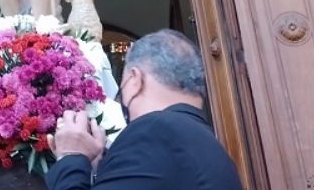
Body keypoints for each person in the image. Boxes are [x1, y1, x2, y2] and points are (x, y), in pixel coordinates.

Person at [45, 29, 244, 189]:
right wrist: (100, 168)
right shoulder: (210, 147)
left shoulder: (155, 130)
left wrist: (71, 156)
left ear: (134, 79)